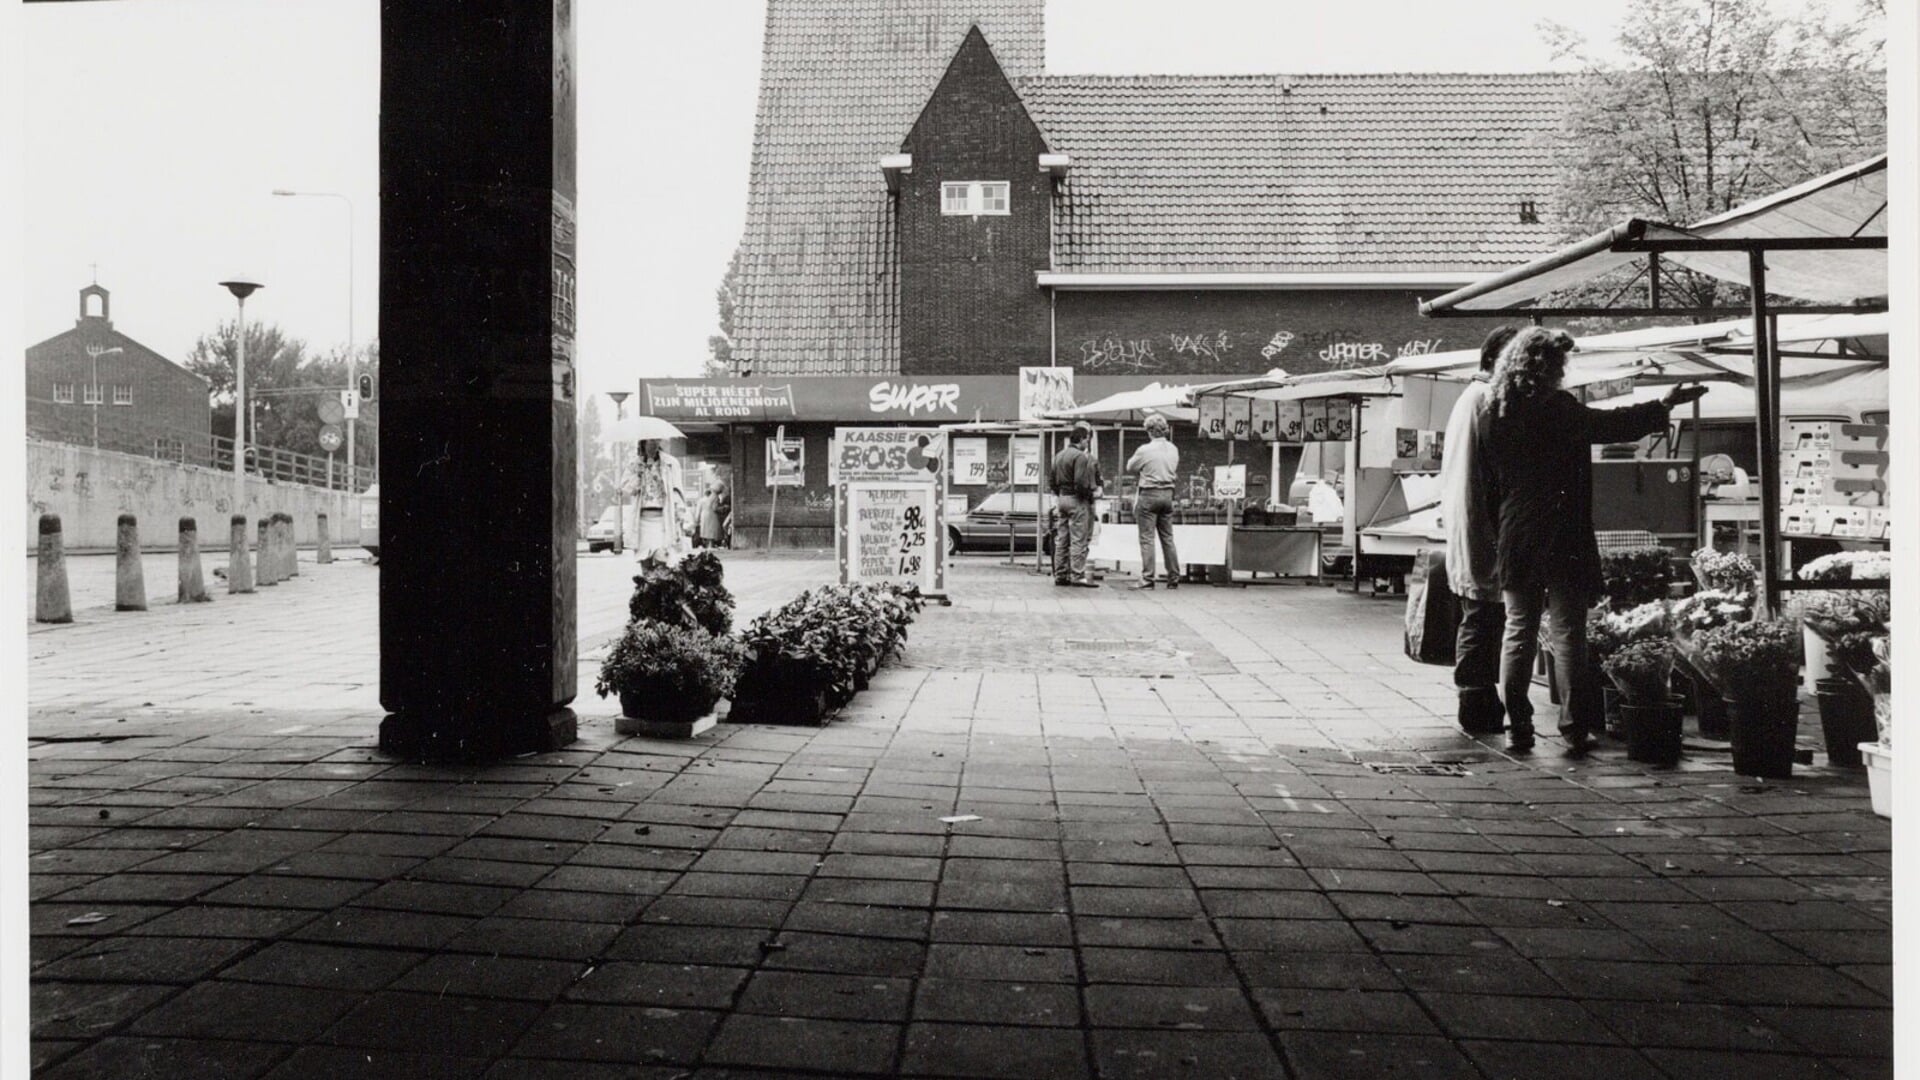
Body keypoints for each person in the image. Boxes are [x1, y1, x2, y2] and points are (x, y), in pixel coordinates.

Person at [1482, 327, 1706, 752]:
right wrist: (1662, 405)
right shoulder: (1560, 408)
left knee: (1518, 631)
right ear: (1548, 368)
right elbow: (1612, 425)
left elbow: (1490, 482)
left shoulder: (1496, 411)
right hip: (1563, 533)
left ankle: (1519, 727)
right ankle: (1573, 726)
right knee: (1568, 633)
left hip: (1517, 532)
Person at [1439, 325, 1518, 734]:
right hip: (1481, 527)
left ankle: (1479, 702)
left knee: (1480, 614)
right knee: (1483, 617)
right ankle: (1477, 704)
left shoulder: (1468, 398)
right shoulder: (1487, 401)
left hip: (1469, 523)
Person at [1126, 412, 1181, 589]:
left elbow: (1130, 467)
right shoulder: (1173, 448)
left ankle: (1148, 578)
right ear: (1164, 430)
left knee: (1147, 538)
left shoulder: (1144, 450)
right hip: (1168, 494)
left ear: (1149, 431)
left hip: (1149, 493)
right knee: (1167, 538)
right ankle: (1174, 577)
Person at [1049, 421, 1100, 588]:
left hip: (1062, 499)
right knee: (1078, 539)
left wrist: (1060, 494)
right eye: (1087, 441)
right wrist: (1089, 495)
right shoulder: (1080, 457)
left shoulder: (1059, 455)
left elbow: (1052, 481)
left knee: (1062, 539)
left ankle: (1060, 574)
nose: (1087, 444)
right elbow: (1080, 482)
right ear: (1082, 440)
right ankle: (1077, 575)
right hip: (1076, 500)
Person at [624, 440, 687, 560]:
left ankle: (660, 578)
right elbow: (628, 490)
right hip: (642, 518)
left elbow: (676, 489)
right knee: (644, 558)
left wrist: (679, 513)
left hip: (663, 518)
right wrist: (638, 475)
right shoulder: (634, 464)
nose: (652, 444)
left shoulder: (670, 463)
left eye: (655, 440)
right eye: (649, 441)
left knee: (663, 557)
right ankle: (648, 578)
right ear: (643, 443)